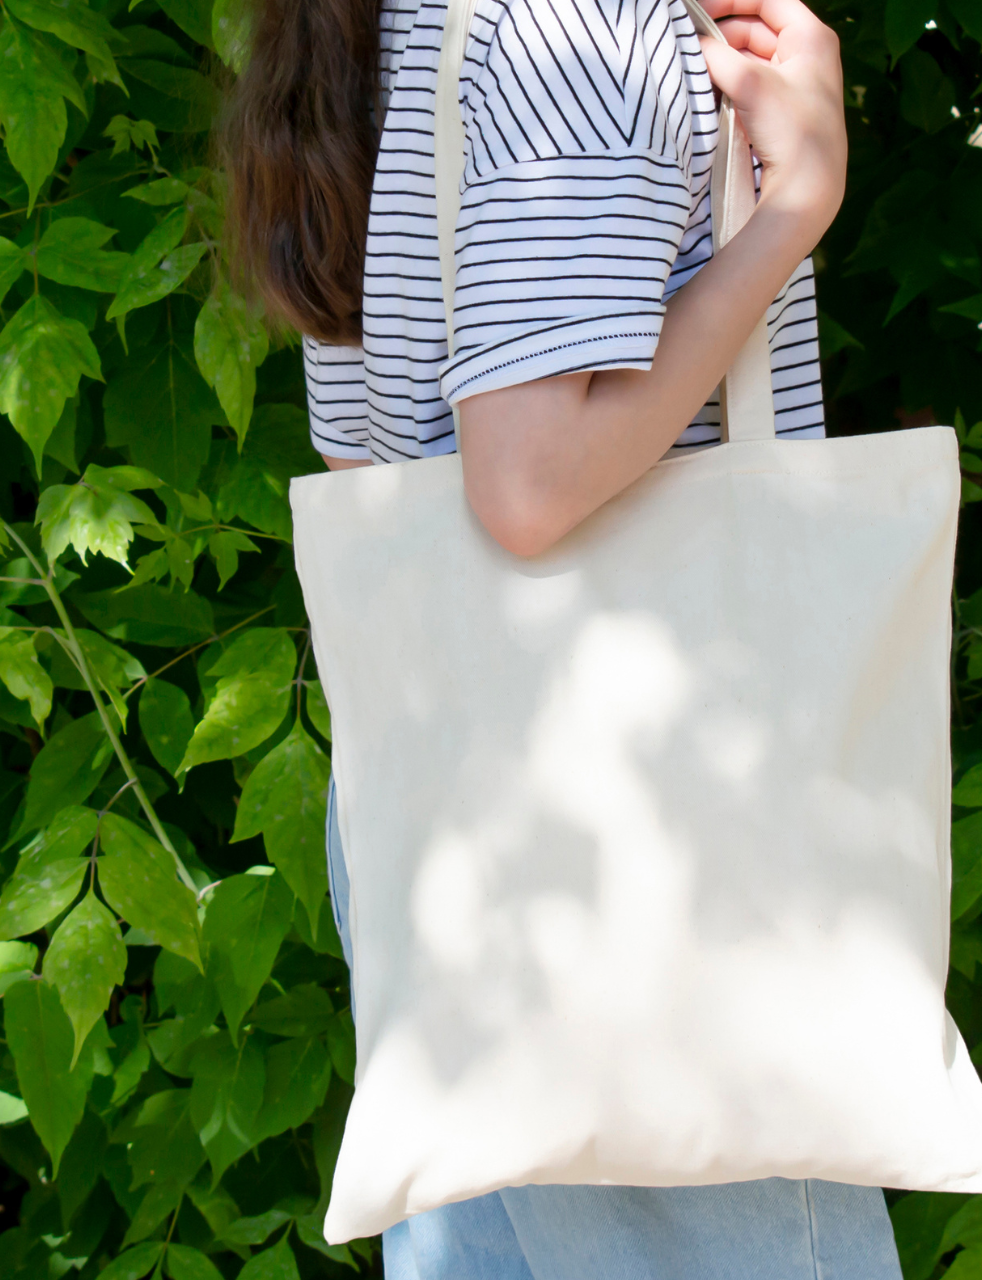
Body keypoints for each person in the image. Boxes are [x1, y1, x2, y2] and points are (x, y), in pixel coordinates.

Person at [224, 0, 898, 1271]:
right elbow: (526, 485)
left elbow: (368, 454)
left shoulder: (404, 26)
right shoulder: (581, 27)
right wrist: (793, 207)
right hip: (655, 833)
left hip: (450, 827)